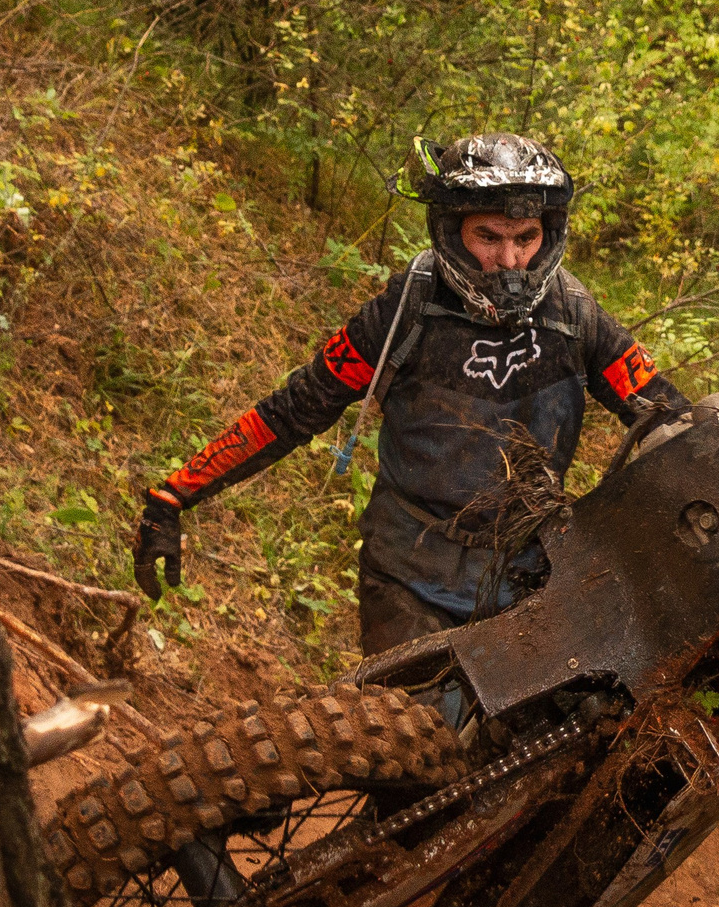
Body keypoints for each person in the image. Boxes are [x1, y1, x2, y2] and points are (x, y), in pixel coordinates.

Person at [131, 133, 686, 657]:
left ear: (549, 233)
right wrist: (174, 497)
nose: (510, 260)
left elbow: (670, 423)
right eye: (488, 237)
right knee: (423, 740)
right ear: (451, 231)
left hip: (528, 577)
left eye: (525, 238)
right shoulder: (405, 311)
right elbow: (297, 408)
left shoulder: (576, 316)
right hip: (409, 573)